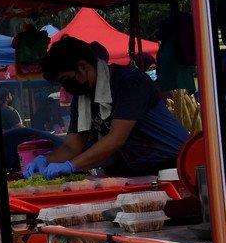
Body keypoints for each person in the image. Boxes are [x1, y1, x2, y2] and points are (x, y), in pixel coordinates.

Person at [25, 35, 189, 177]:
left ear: (82, 66)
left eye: (65, 79)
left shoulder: (129, 82)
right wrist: (45, 160)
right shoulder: (81, 98)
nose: (65, 87)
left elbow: (115, 139)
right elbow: (71, 146)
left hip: (173, 167)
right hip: (133, 172)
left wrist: (71, 166)